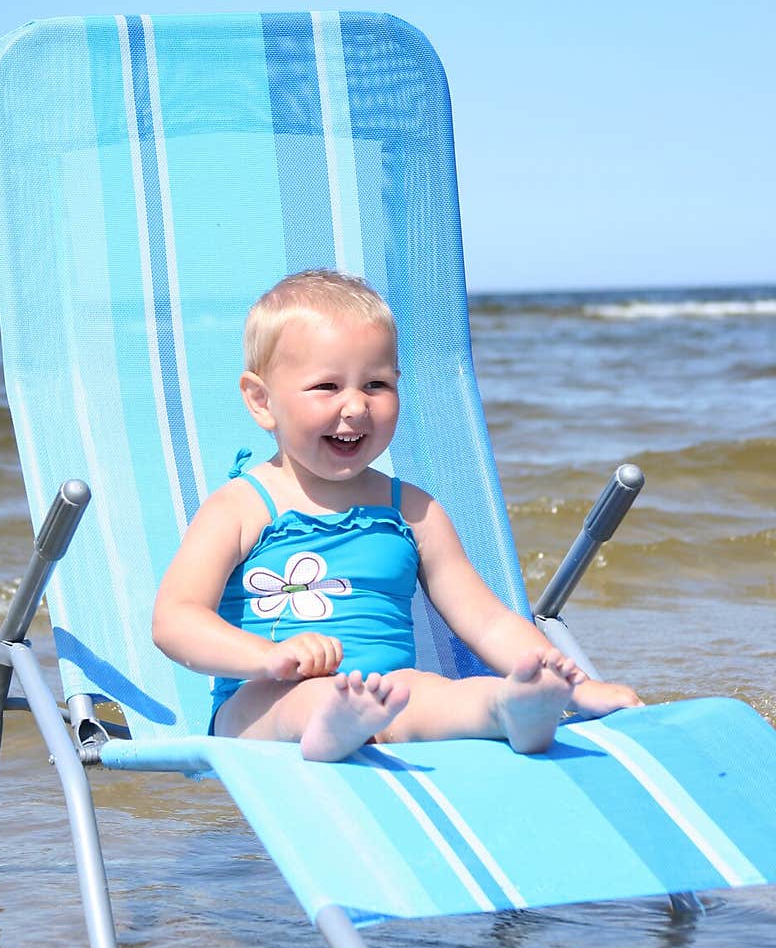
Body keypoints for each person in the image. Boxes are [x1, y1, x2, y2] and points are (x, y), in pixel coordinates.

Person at [153, 270, 642, 762]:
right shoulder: (241, 505)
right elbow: (175, 619)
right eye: (326, 386)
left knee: (435, 691)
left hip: (387, 697)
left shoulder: (412, 511)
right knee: (305, 698)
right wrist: (267, 657)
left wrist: (565, 681)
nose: (356, 406)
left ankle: (514, 710)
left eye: (377, 384)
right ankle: (333, 728)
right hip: (258, 705)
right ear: (262, 401)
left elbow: (488, 622)